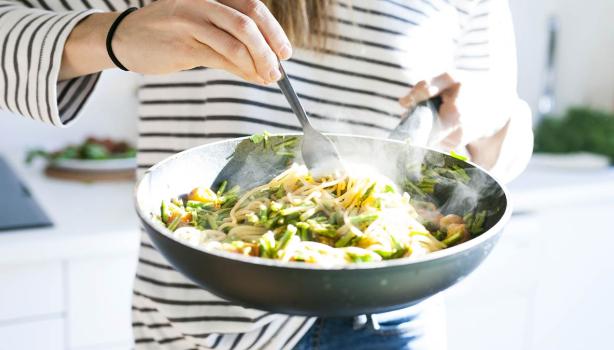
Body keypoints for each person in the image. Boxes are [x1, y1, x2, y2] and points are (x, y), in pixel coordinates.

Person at [0, 0, 532, 349]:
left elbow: (500, 151)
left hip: (392, 320)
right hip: (207, 326)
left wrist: (496, 114)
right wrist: (112, 35)